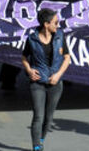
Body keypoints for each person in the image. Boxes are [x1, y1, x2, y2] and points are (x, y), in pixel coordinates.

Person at [21, 8, 71, 151]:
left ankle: (41, 139)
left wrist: (58, 75)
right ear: (46, 24)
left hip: (55, 84)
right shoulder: (32, 39)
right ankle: (37, 147)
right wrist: (29, 70)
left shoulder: (60, 36)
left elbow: (67, 58)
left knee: (48, 119)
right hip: (37, 83)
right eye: (55, 22)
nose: (58, 25)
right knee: (38, 116)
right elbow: (24, 57)